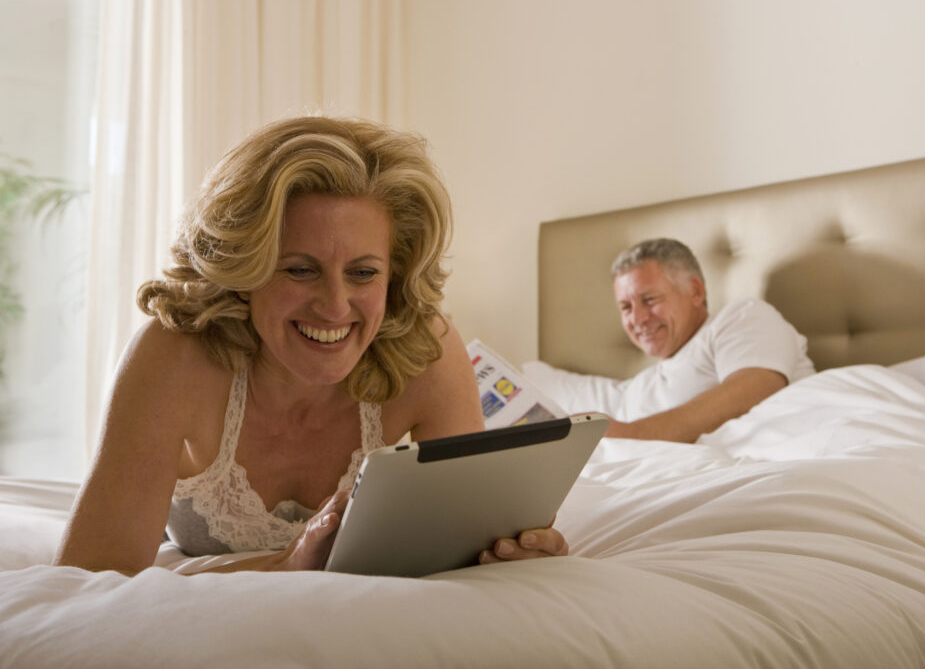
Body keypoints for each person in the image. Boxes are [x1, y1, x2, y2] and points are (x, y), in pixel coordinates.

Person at [54, 116, 567, 575]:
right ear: (245, 271)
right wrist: (282, 564)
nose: (335, 306)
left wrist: (507, 556)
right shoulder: (176, 354)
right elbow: (90, 580)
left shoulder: (425, 348)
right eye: (301, 270)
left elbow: (458, 548)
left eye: (363, 273)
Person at [529, 238, 815, 443]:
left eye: (650, 300)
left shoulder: (740, 318)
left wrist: (632, 434)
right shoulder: (639, 389)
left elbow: (755, 389)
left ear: (695, 291)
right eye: (626, 308)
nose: (638, 319)